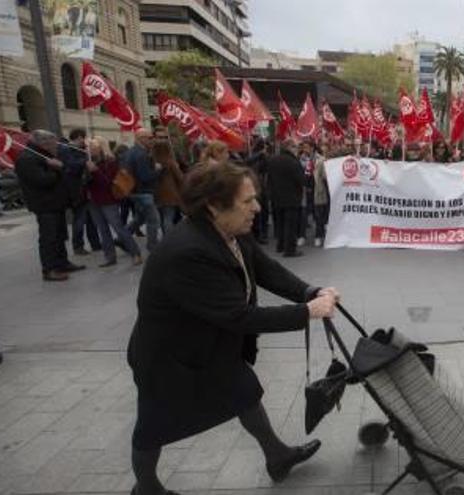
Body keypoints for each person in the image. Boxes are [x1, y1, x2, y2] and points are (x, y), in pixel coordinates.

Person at [127, 162, 334, 495]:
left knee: (244, 392)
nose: (257, 207)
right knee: (153, 427)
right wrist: (306, 312)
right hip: (170, 358)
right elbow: (239, 316)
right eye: (247, 201)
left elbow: (266, 269)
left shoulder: (228, 230)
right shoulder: (188, 252)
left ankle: (277, 456)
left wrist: (309, 291)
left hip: (209, 345)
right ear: (213, 204)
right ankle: (147, 489)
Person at [15, 130, 85, 281]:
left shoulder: (43, 155)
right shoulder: (27, 158)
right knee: (49, 238)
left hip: (56, 203)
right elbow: (42, 181)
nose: (56, 146)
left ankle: (62, 263)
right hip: (45, 205)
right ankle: (50, 269)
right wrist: (56, 168)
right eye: (54, 143)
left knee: (60, 236)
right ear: (43, 143)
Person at [85, 137, 143, 267]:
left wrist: (95, 171)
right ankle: (110, 257)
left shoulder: (110, 162)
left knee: (118, 228)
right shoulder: (88, 161)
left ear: (101, 147)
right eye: (89, 147)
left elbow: (108, 183)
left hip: (107, 199)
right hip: (93, 200)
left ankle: (135, 253)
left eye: (93, 147)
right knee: (102, 229)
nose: (90, 149)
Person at [59, 129, 101, 255]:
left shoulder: (83, 150)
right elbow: (71, 166)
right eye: (84, 138)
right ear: (78, 137)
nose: (85, 140)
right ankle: (78, 246)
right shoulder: (66, 150)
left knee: (91, 220)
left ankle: (95, 244)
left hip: (87, 189)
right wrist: (85, 162)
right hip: (76, 190)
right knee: (79, 220)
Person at [125, 129, 162, 252]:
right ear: (141, 138)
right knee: (154, 220)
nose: (152, 140)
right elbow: (145, 176)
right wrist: (157, 170)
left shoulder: (131, 151)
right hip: (143, 192)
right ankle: (152, 246)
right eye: (149, 138)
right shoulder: (141, 154)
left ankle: (122, 238)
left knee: (140, 218)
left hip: (134, 191)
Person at [268, 141, 305, 257]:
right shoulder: (293, 162)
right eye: (295, 146)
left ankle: (280, 245)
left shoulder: (273, 160)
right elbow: (300, 179)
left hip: (277, 197)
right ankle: (290, 249)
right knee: (290, 224)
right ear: (290, 147)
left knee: (280, 223)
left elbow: (269, 178)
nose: (297, 149)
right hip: (291, 197)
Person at [152, 140, 184, 235]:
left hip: (157, 193)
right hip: (170, 194)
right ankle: (169, 238)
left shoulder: (153, 162)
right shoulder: (170, 162)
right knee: (168, 218)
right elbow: (180, 177)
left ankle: (165, 237)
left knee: (163, 218)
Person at [313, 145, 330, 247]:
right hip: (317, 191)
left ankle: (320, 236)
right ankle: (319, 236)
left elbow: (325, 176)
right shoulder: (321, 161)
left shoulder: (322, 161)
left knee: (321, 215)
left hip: (321, 191)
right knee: (320, 215)